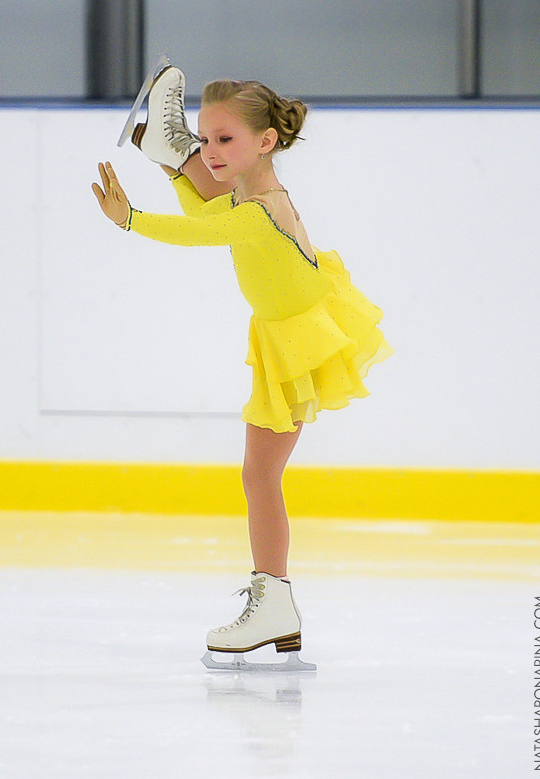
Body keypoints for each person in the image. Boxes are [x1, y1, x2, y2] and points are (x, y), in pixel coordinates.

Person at [92, 65, 392, 668]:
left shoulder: (260, 210)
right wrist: (177, 173)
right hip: (289, 334)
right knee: (260, 477)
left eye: (223, 140)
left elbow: (203, 232)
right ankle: (274, 599)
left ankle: (274, 600)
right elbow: (214, 218)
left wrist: (131, 220)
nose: (216, 150)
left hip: (297, 342)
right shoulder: (251, 199)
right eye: (204, 141)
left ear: (266, 141)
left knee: (259, 478)